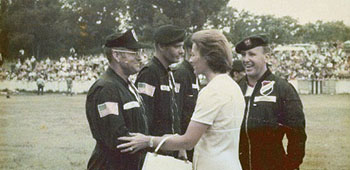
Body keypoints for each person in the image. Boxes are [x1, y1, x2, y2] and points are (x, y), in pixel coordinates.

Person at [117, 29, 246, 170]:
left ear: (208, 57)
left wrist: (148, 141)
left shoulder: (212, 91)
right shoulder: (233, 86)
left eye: (193, 55)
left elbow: (188, 141)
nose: (190, 60)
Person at [235, 35, 307, 170]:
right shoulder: (236, 88)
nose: (246, 60)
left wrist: (291, 166)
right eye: (243, 55)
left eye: (252, 54)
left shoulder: (283, 88)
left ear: (267, 57)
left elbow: (297, 135)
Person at [85, 30, 149, 170]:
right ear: (117, 55)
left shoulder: (125, 85)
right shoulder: (107, 88)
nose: (140, 57)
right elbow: (117, 138)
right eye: (134, 52)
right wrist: (150, 143)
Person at [134, 24, 185, 156]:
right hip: (155, 151)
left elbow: (174, 115)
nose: (182, 51)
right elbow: (143, 116)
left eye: (182, 46)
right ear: (161, 46)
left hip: (169, 149)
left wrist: (180, 146)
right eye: (177, 46)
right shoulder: (149, 73)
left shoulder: (169, 73)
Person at [173, 34, 199, 161]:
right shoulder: (181, 73)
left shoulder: (194, 72)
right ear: (190, 50)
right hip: (183, 141)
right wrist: (180, 146)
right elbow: (176, 111)